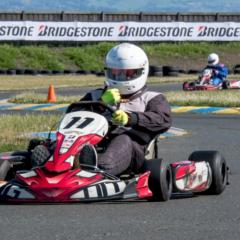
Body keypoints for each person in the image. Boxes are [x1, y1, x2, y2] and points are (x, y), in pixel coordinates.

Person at [80, 43, 172, 176]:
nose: (120, 78)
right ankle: (48, 165)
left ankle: (98, 170)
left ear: (141, 71)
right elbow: (73, 116)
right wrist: (101, 103)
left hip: (132, 152)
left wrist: (131, 118)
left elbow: (163, 120)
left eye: (127, 74)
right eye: (116, 73)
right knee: (61, 141)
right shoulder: (95, 96)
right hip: (94, 144)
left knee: (123, 139)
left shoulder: (152, 98)